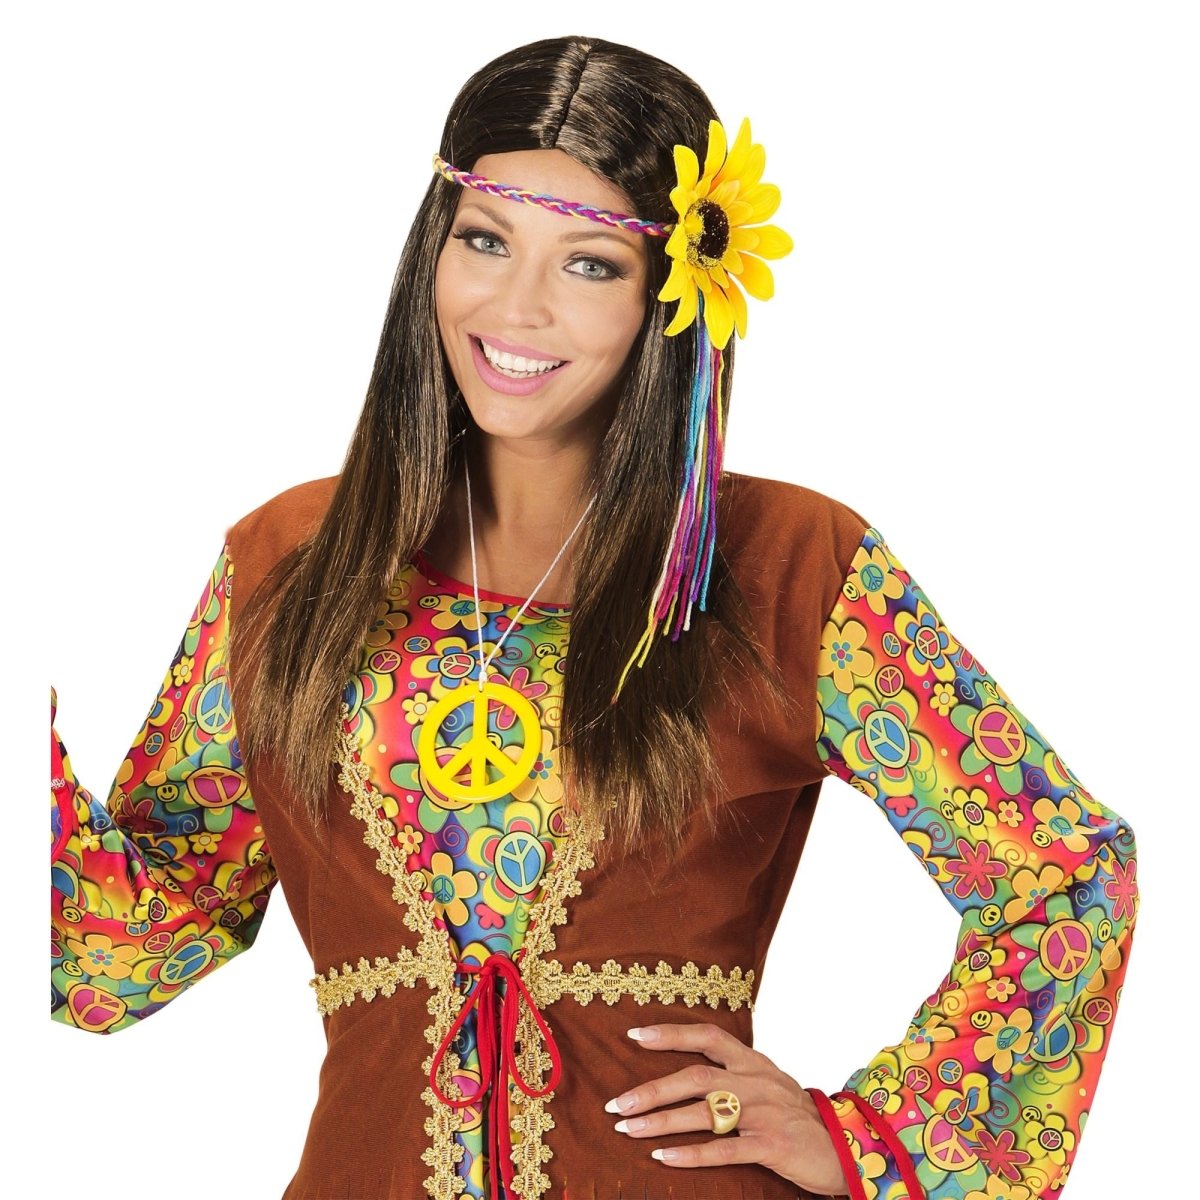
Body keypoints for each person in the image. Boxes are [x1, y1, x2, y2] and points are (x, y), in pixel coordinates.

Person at [49, 34, 1139, 1200]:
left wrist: (875, 1137)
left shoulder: (790, 566)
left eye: (589, 264)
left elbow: (1066, 874)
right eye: (485, 240)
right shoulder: (289, 565)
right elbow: (123, 950)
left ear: (671, 294)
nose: (516, 307)